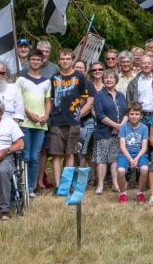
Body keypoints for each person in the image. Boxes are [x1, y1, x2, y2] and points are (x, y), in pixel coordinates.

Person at [50, 49, 92, 197]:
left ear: (72, 60)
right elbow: (51, 99)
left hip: (73, 121)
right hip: (56, 120)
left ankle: (66, 185)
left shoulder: (80, 77)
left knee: (70, 153)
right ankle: (57, 185)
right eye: (63, 59)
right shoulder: (54, 78)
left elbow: (84, 97)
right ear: (58, 61)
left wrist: (77, 111)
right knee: (56, 154)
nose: (65, 61)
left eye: (68, 58)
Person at [16, 50, 51, 196]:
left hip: (40, 125)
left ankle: (30, 188)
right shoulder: (21, 80)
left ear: (42, 61)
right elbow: (17, 101)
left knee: (35, 157)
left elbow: (48, 101)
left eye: (38, 59)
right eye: (33, 59)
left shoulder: (46, 81)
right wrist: (29, 115)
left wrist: (46, 116)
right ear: (28, 61)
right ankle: (21, 186)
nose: (35, 62)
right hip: (25, 123)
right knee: (25, 156)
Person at [90, 71, 126, 194]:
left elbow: (127, 112)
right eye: (106, 78)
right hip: (103, 132)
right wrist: (115, 125)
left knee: (114, 159)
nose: (108, 80)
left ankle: (115, 184)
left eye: (111, 77)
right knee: (102, 159)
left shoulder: (121, 95)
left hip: (118, 133)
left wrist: (120, 127)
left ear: (116, 80)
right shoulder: (99, 95)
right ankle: (100, 185)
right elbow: (100, 115)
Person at [116, 103, 150, 205]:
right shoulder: (123, 128)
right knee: (121, 171)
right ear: (128, 115)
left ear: (141, 116)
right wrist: (131, 160)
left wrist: (136, 158)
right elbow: (122, 146)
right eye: (131, 114)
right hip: (125, 154)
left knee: (145, 169)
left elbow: (144, 147)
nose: (134, 116)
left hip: (140, 154)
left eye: (136, 114)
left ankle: (140, 193)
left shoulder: (144, 128)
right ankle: (122, 194)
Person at [126, 54, 153, 120]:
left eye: (149, 63)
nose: (146, 65)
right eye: (144, 63)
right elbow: (129, 101)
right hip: (139, 117)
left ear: (152, 65)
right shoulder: (133, 83)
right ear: (140, 65)